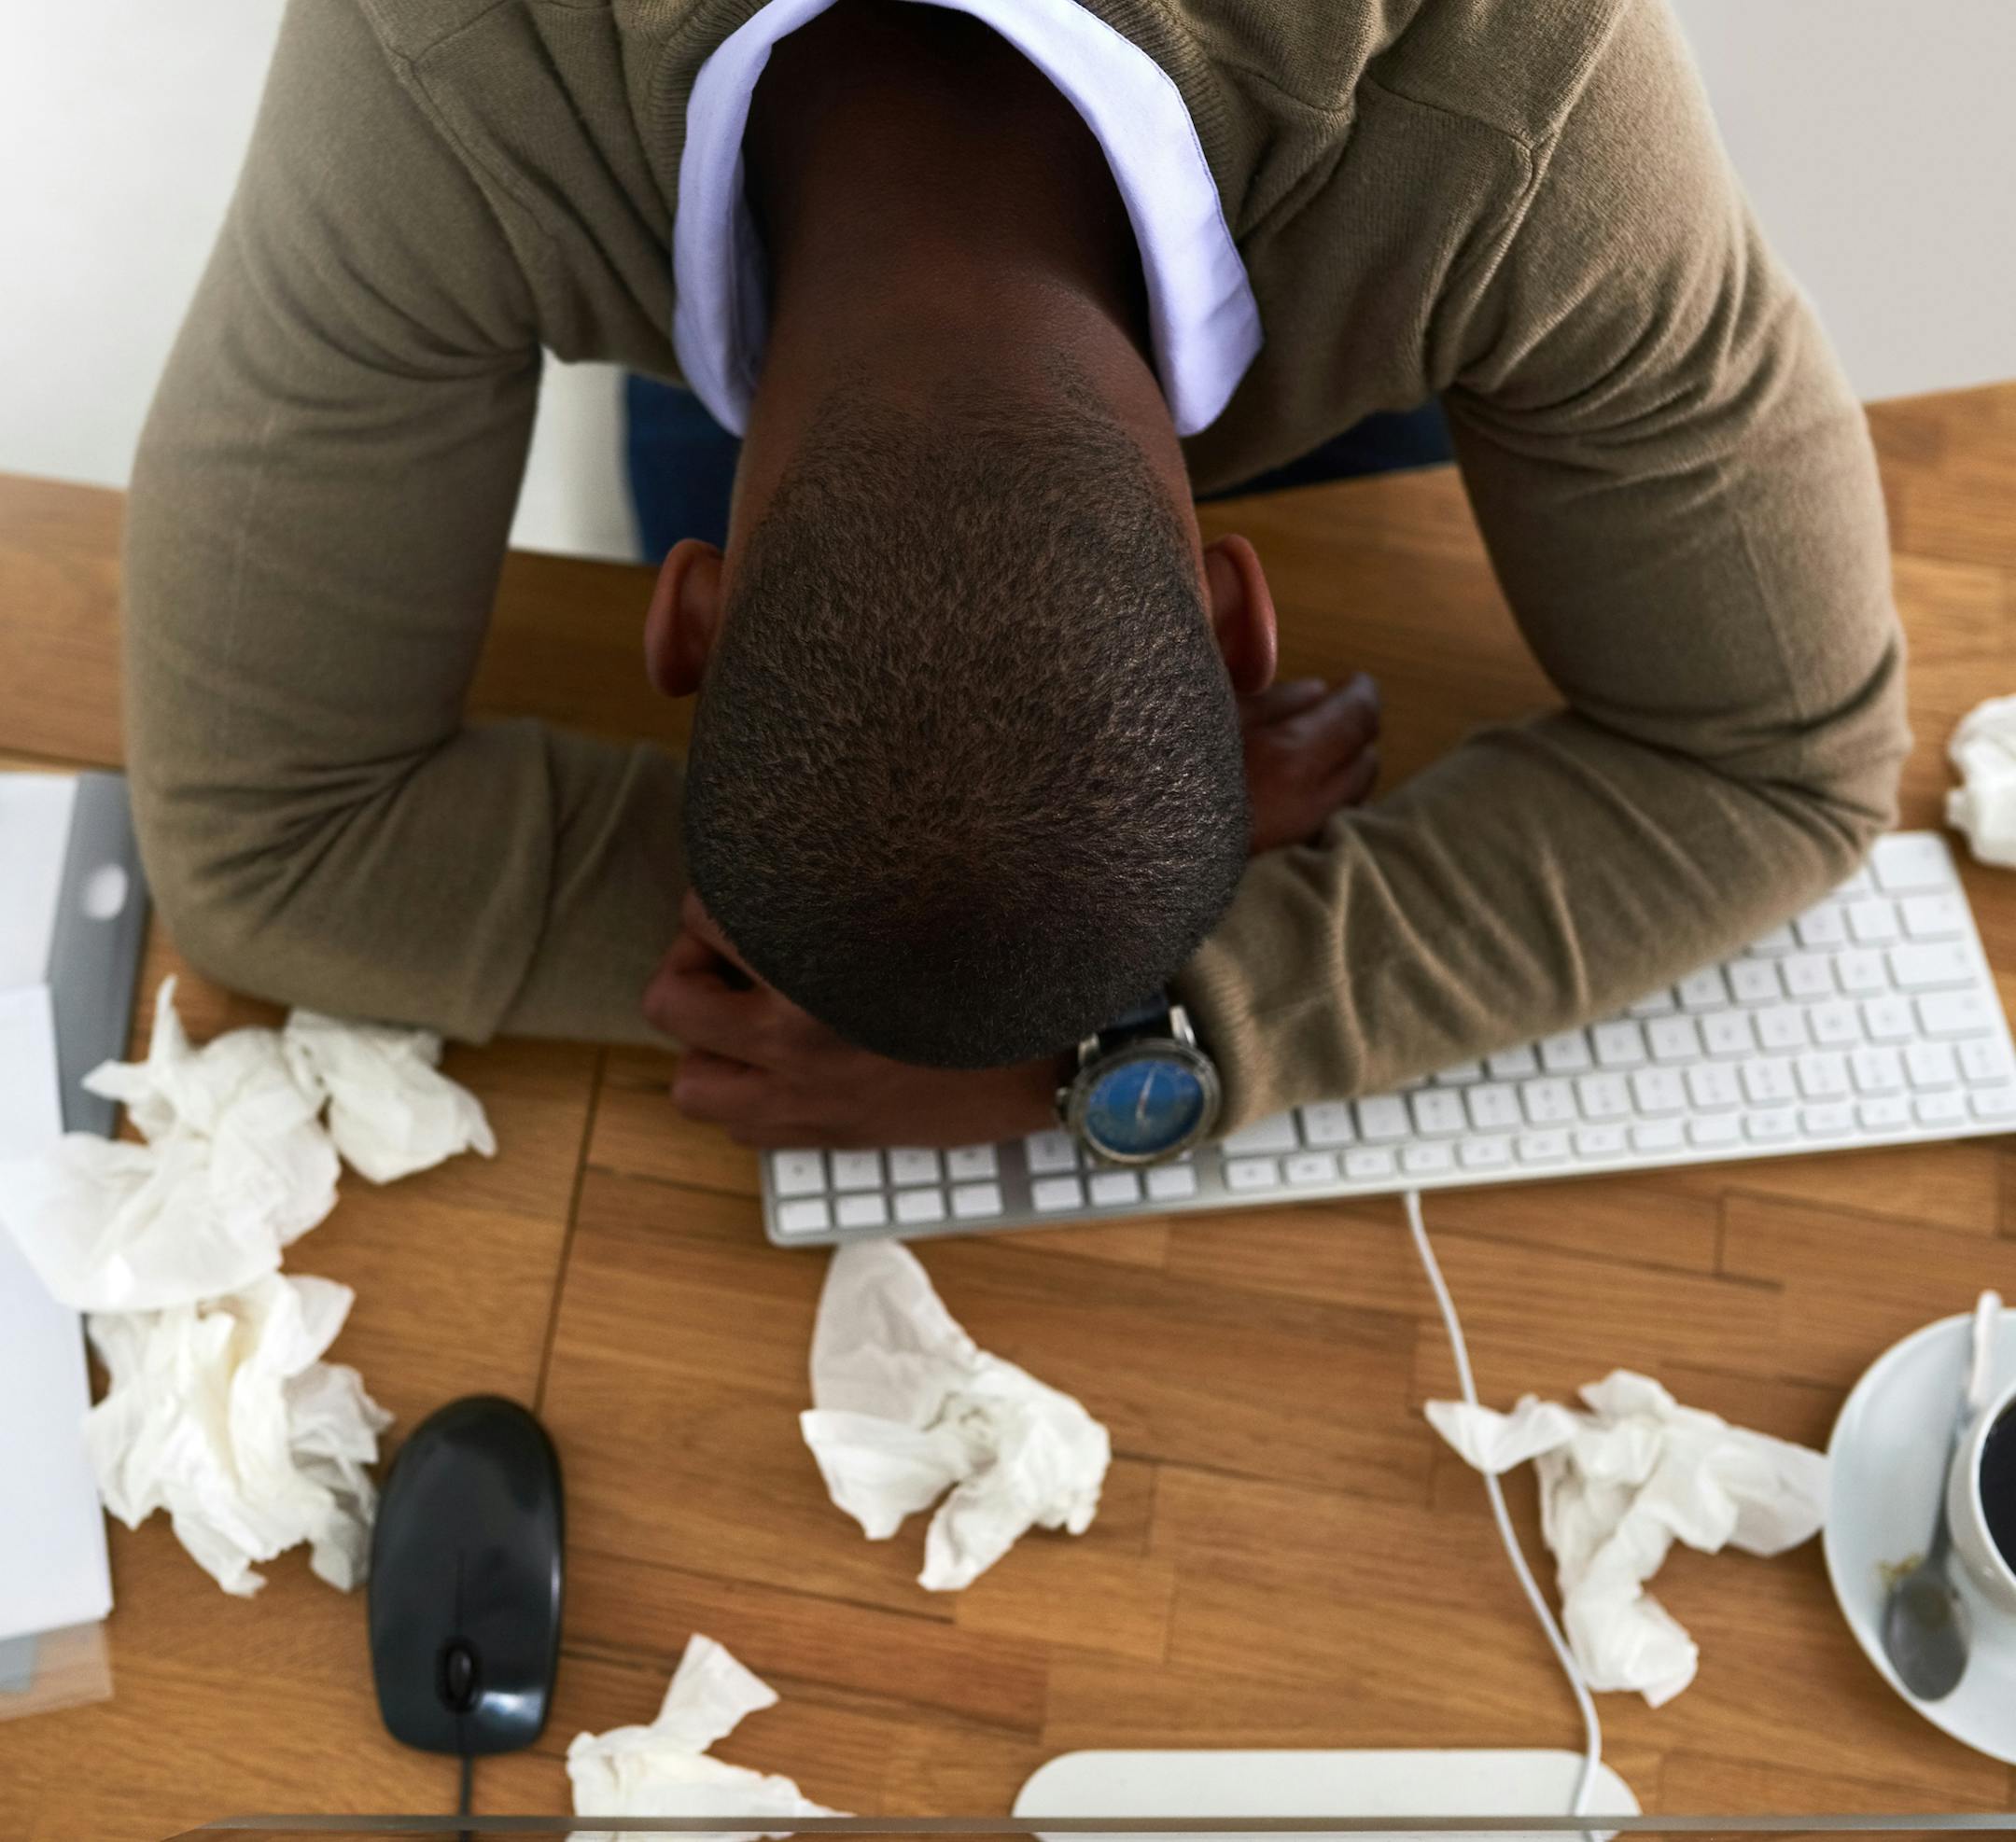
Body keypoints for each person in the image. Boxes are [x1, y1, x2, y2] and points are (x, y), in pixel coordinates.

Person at [123, 0, 1906, 1154]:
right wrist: (944, 977)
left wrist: (1125, 1040)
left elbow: (1786, 767)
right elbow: (261, 848)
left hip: (1373, 247)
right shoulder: (435, 64)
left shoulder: (1525, 95)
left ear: (688, 617)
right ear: (1230, 616)